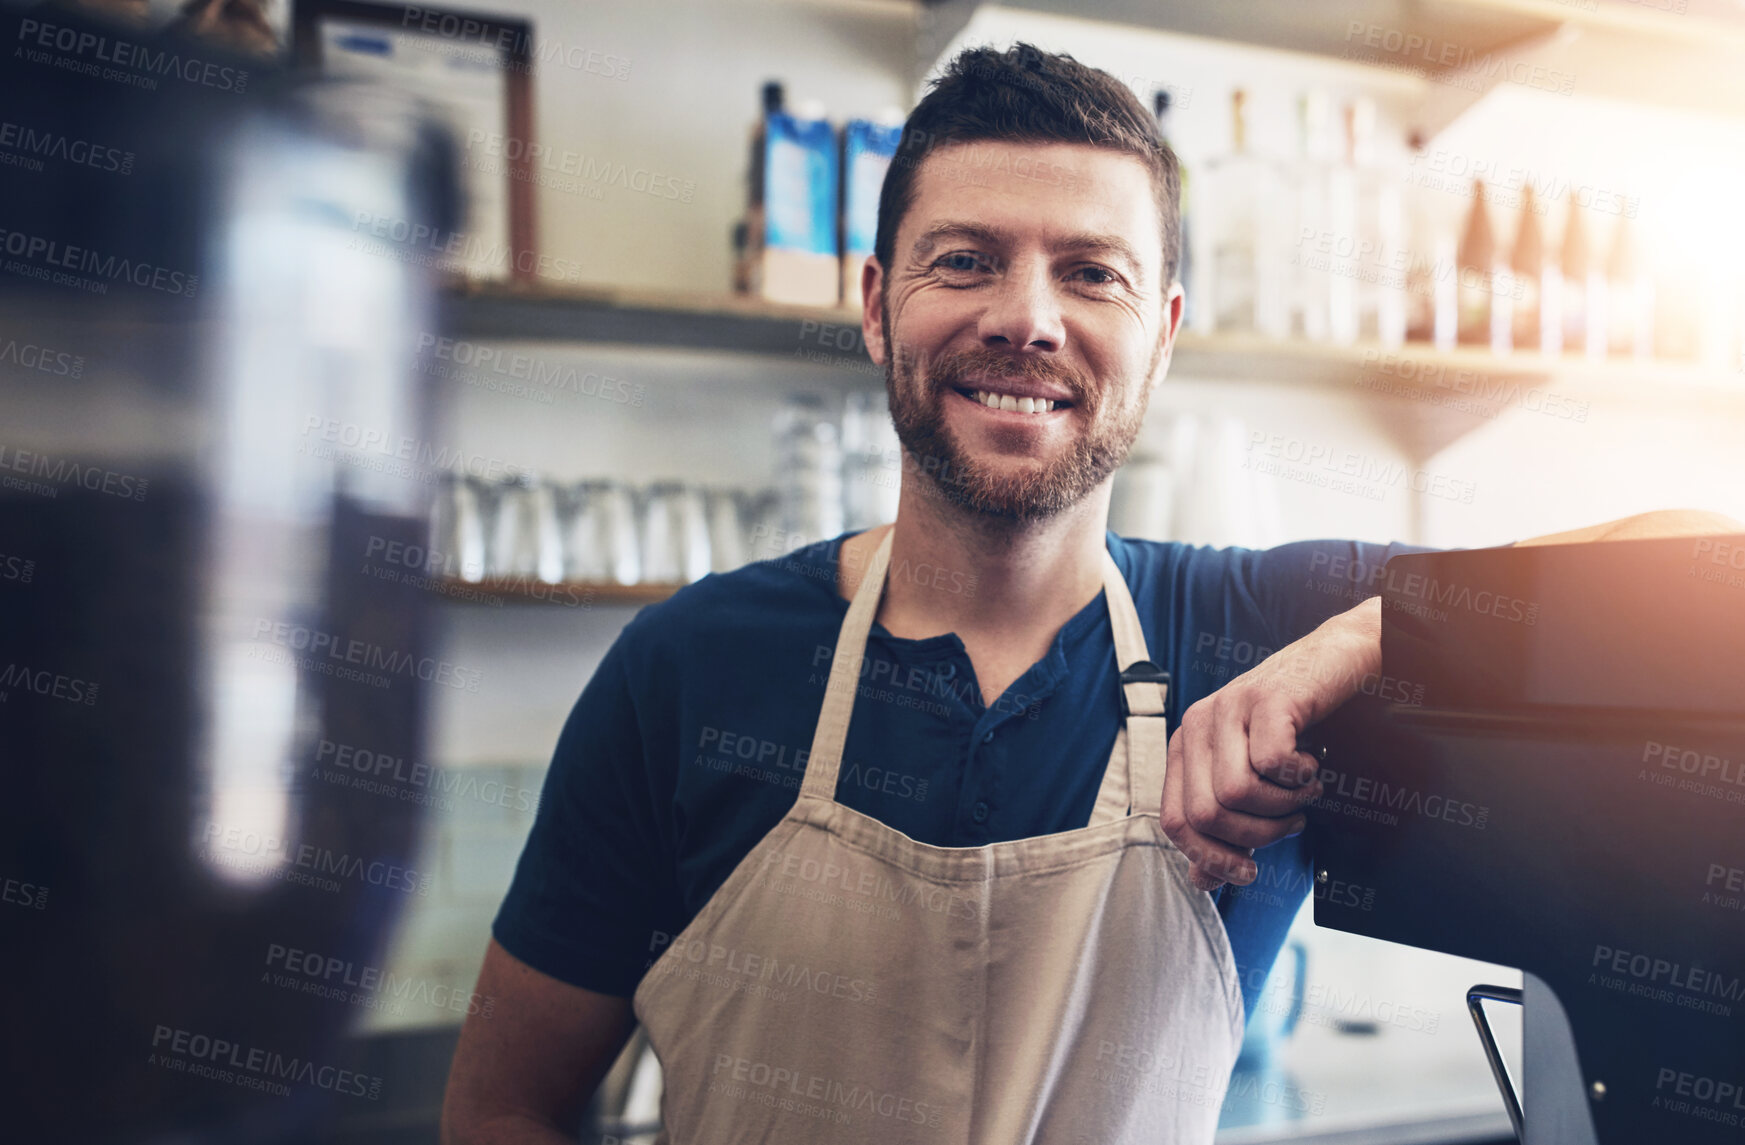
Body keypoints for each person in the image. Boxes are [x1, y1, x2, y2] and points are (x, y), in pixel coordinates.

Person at [441, 43, 1735, 1144]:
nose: (1026, 317)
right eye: (964, 260)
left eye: (1090, 271)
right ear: (876, 308)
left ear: (1162, 334)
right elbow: (502, 1108)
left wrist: (1348, 641)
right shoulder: (688, 670)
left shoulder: (1256, 636)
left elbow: (1706, 582)